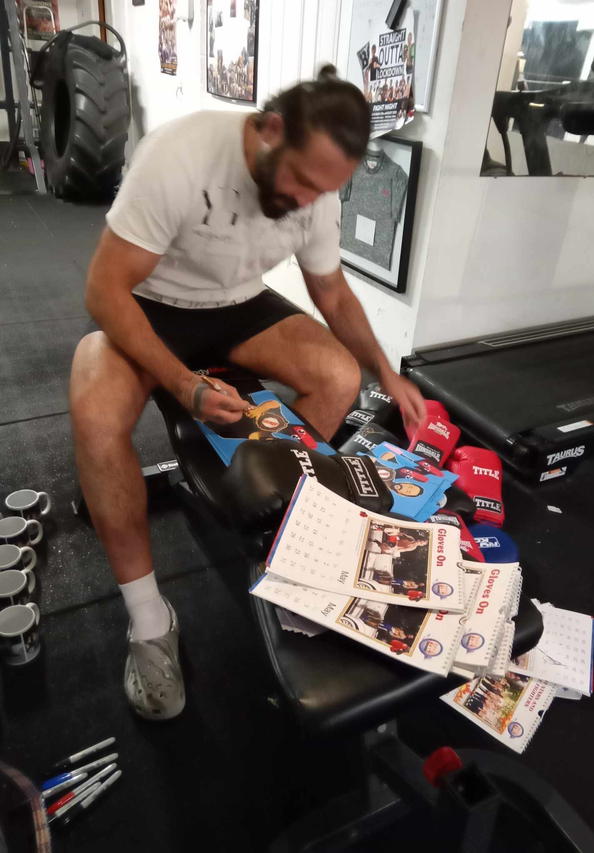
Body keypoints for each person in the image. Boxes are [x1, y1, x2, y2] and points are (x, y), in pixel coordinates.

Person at [70, 66, 425, 721]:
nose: (307, 200)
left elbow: (332, 292)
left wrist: (385, 368)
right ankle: (149, 620)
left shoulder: (315, 191)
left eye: (322, 191)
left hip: (238, 308)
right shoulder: (180, 156)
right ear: (271, 130)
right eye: (301, 180)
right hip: (151, 305)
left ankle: (273, 521)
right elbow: (103, 289)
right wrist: (183, 384)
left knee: (339, 376)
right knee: (94, 411)